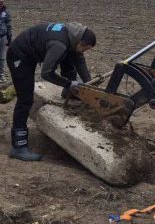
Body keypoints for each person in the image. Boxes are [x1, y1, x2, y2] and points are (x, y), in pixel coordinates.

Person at [6, 22, 95, 161]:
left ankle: (69, 92)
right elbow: (46, 73)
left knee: (71, 56)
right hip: (19, 56)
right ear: (80, 42)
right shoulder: (59, 44)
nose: (84, 52)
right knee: (25, 99)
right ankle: (19, 146)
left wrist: (90, 85)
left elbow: (79, 61)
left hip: (32, 52)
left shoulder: (73, 36)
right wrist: (69, 83)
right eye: (85, 48)